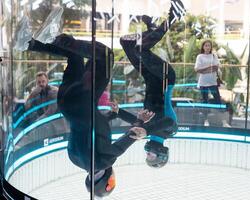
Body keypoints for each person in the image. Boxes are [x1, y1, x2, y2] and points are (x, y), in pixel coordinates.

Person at [15, 7, 158, 198]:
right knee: (74, 55)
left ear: (106, 181)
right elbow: (89, 131)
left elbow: (132, 135)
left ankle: (54, 38)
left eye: (112, 181)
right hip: (66, 103)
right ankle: (28, 43)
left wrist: (140, 123)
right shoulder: (75, 159)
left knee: (106, 56)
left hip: (83, 102)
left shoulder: (105, 161)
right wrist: (112, 115)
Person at [120, 0, 186, 168]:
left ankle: (151, 30)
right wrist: (146, 131)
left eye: (147, 156)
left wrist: (117, 112)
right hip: (165, 78)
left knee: (126, 42)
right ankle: (173, 17)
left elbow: (133, 119)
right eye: (150, 156)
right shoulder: (168, 131)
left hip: (150, 77)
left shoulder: (147, 129)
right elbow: (167, 122)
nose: (147, 153)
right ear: (161, 153)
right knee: (140, 50)